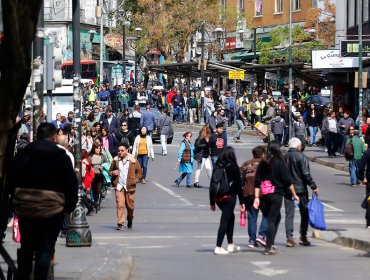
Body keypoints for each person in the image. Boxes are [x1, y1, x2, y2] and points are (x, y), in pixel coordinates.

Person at [10, 123, 78, 279]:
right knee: (45, 247)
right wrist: (68, 208)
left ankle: (24, 275)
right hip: (52, 209)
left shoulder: (23, 154)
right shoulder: (61, 157)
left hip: (26, 207)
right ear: (54, 137)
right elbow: (71, 184)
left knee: (27, 245)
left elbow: (12, 181)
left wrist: (15, 201)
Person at [253, 141, 299, 255]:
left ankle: (271, 243)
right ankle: (268, 246)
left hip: (264, 194)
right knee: (272, 220)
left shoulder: (263, 162)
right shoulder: (279, 162)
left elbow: (257, 181)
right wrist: (294, 195)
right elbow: (287, 181)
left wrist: (256, 197)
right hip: (276, 194)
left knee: (275, 218)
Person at [210, 146, 245, 255]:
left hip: (218, 197)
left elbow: (212, 184)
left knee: (230, 217)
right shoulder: (233, 166)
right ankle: (218, 246)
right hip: (229, 197)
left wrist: (212, 201)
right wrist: (242, 202)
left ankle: (230, 244)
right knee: (225, 220)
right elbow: (238, 185)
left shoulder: (217, 166)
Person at [284, 138, 319, 247]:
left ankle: (289, 237)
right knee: (304, 213)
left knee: (289, 214)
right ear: (298, 146)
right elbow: (306, 173)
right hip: (300, 189)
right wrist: (313, 186)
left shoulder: (284, 157)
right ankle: (303, 236)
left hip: (288, 190)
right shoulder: (301, 156)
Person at [109, 142, 142, 230]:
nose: (120, 152)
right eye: (119, 151)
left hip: (130, 187)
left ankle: (130, 219)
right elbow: (110, 171)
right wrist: (113, 173)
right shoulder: (115, 160)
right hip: (119, 186)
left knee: (130, 207)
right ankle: (120, 223)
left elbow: (139, 173)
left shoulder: (133, 161)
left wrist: (134, 181)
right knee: (120, 205)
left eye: (122, 150)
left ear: (127, 150)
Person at [240, 146, 268, 248]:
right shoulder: (266, 164)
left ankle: (252, 240)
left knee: (252, 217)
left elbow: (240, 180)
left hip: (248, 193)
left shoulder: (246, 164)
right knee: (268, 214)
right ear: (263, 154)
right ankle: (261, 235)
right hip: (263, 193)